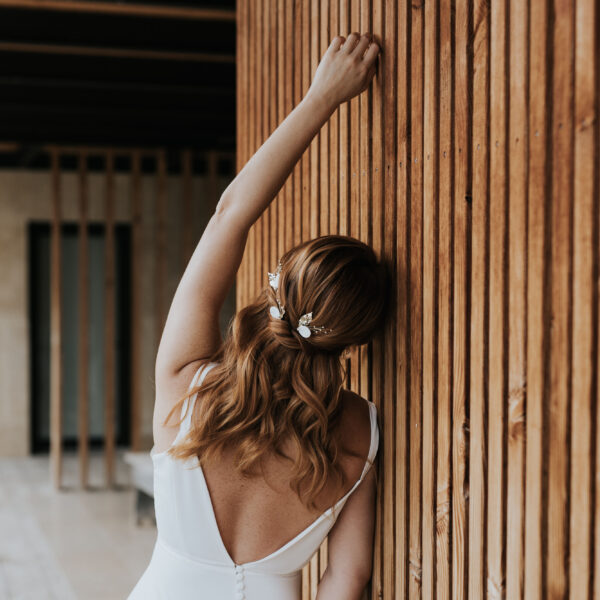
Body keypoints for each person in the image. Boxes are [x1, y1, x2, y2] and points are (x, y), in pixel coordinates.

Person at [128, 31, 387, 600]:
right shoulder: (361, 431)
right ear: (354, 340)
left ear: (279, 289)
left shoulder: (185, 384)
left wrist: (322, 98)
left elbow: (229, 216)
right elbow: (348, 578)